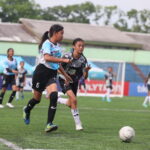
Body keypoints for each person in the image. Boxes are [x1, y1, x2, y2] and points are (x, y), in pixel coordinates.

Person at [23, 24, 72, 133]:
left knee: (54, 95)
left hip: (51, 73)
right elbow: (47, 57)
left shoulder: (58, 47)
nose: (63, 36)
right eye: (61, 33)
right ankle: (27, 109)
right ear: (55, 33)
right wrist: (63, 60)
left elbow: (57, 64)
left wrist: (66, 75)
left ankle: (49, 124)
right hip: (41, 72)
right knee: (37, 99)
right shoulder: (47, 44)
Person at [57, 38, 91, 130]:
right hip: (64, 80)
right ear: (73, 46)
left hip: (74, 82)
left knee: (71, 103)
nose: (81, 47)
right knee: (74, 99)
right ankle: (78, 124)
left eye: (83, 46)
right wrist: (65, 76)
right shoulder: (67, 56)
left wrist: (86, 71)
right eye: (79, 45)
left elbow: (85, 76)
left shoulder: (83, 60)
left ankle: (59, 99)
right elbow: (57, 68)